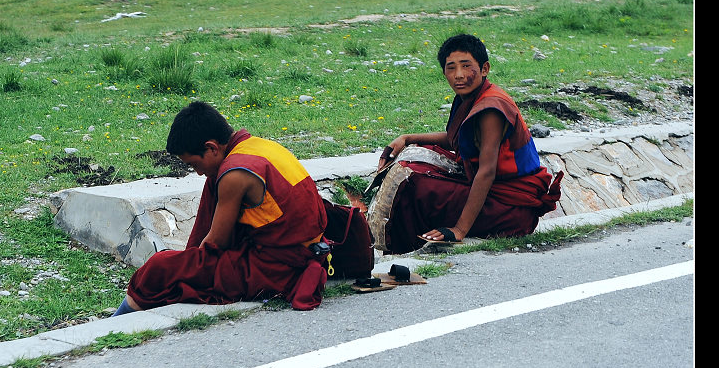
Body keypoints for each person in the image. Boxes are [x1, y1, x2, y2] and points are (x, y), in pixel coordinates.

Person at [112, 101, 330, 315]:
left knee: (158, 267)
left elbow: (217, 243)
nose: (196, 172)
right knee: (211, 181)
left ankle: (115, 323)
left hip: (278, 268)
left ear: (211, 147)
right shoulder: (260, 146)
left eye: (194, 164)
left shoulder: (233, 174)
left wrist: (190, 263)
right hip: (310, 249)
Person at [370, 33, 562, 253]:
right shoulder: (473, 97)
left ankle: (403, 247)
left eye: (465, 66)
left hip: (511, 209)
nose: (458, 75)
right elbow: (457, 139)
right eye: (451, 68)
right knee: (418, 158)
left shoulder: (491, 107)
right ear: (444, 72)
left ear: (484, 69)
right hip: (498, 195)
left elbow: (487, 171)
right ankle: (406, 242)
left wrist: (460, 229)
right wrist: (408, 139)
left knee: (418, 185)